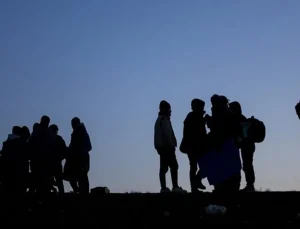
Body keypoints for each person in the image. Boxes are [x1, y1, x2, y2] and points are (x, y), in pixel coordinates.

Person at [154, 100, 187, 193]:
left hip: (162, 147)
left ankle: (164, 188)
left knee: (164, 168)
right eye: (169, 109)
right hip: (167, 147)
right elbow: (167, 134)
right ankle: (174, 187)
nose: (170, 111)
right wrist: (171, 144)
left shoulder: (160, 119)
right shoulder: (164, 119)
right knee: (174, 166)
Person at [180, 99, 207, 193]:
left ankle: (196, 183)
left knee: (200, 166)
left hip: (195, 146)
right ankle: (195, 186)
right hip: (194, 146)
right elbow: (195, 132)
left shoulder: (195, 116)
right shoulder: (192, 116)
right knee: (195, 166)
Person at [229, 101, 256, 192]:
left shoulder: (238, 118)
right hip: (248, 145)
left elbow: (239, 133)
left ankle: (250, 185)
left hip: (246, 145)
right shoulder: (241, 117)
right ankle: (250, 185)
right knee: (247, 164)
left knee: (247, 165)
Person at [66, 117, 92, 194]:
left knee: (76, 175)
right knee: (81, 176)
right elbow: (89, 146)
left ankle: (81, 192)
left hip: (79, 158)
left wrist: (75, 152)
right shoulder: (83, 133)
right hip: (82, 158)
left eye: (72, 124)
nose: (71, 126)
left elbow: (74, 146)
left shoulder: (78, 132)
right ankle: (82, 192)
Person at [49, 124, 67, 194]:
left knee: (50, 181)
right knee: (59, 182)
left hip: (50, 164)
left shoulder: (47, 139)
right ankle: (61, 197)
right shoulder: (59, 139)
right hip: (56, 164)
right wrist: (59, 158)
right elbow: (64, 151)